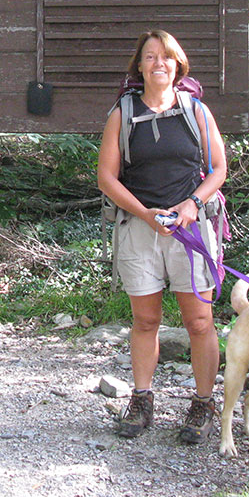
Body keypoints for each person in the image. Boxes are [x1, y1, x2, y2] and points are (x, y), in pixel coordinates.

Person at [96, 29, 227, 444]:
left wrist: (191, 204)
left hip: (191, 230)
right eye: (150, 57)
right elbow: (106, 178)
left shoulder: (196, 111)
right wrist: (145, 214)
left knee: (200, 321)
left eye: (166, 57)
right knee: (146, 320)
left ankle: (204, 404)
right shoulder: (123, 112)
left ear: (178, 64)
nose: (159, 64)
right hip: (140, 228)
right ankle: (142, 399)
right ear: (139, 66)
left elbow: (219, 168)